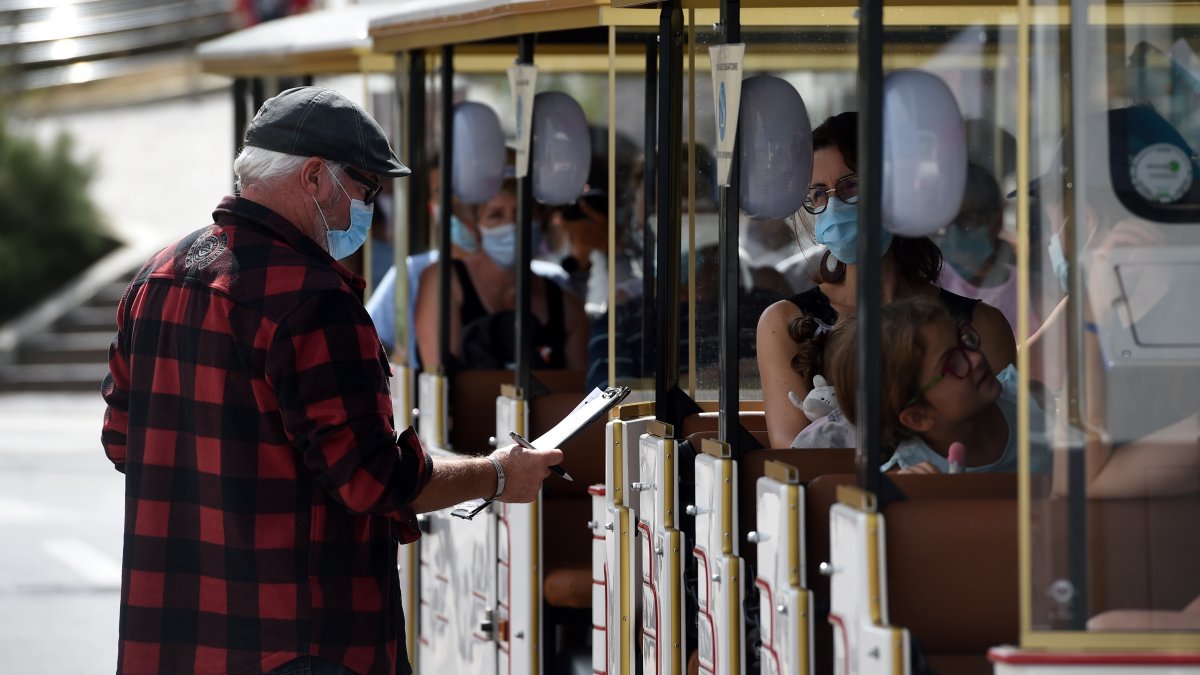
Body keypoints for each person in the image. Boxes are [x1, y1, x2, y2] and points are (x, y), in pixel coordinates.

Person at [100, 87, 563, 675]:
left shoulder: (154, 280)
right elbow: (371, 480)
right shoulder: (315, 300)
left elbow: (122, 442)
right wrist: (498, 474)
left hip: (169, 638)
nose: (365, 211)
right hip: (301, 644)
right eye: (365, 190)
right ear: (316, 177)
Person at [756, 111, 1016, 448]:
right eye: (819, 194)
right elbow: (796, 458)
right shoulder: (785, 322)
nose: (833, 206)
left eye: (852, 186)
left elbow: (1002, 450)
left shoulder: (982, 325)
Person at [812, 297, 1051, 473]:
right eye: (951, 364)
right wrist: (923, 500)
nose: (976, 358)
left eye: (965, 342)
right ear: (918, 416)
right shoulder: (913, 478)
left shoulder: (1032, 402)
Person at [414, 178, 589, 371]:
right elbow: (439, 379)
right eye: (496, 216)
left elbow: (578, 390)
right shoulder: (444, 282)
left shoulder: (568, 308)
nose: (512, 225)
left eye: (524, 213)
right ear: (475, 227)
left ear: (542, 221)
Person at [933, 162, 1025, 334]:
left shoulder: (1026, 288)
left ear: (997, 219)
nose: (953, 234)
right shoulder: (930, 284)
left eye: (966, 219)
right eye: (945, 221)